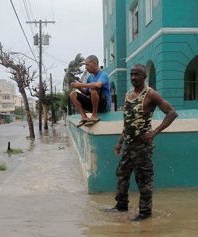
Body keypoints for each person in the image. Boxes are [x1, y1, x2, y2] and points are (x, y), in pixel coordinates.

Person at [106, 64, 178, 221]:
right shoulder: (128, 95)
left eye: (137, 75)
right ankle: (121, 206)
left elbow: (172, 113)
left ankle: (145, 213)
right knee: (122, 175)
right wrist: (119, 142)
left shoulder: (151, 94)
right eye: (131, 74)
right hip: (128, 144)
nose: (133, 78)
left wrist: (154, 133)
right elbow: (128, 122)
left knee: (143, 179)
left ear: (144, 77)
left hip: (142, 146)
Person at [70, 55, 111, 127]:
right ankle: (84, 117)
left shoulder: (103, 75)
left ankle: (94, 116)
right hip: (93, 103)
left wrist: (80, 85)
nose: (86, 67)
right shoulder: (90, 78)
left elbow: (97, 85)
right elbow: (86, 92)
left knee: (94, 88)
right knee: (72, 94)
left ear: (95, 64)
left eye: (87, 65)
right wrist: (77, 86)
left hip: (104, 105)